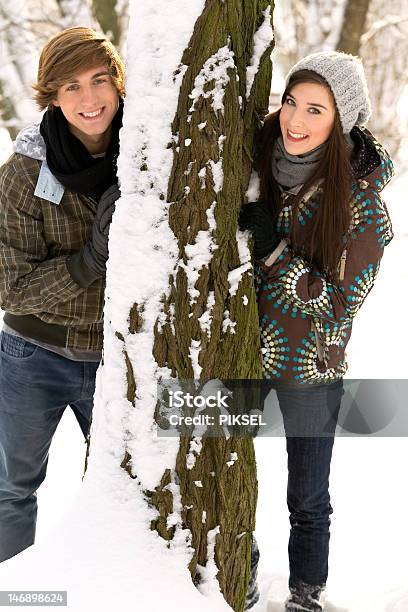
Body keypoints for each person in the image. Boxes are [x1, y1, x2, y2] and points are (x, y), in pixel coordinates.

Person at [240, 52, 394, 611]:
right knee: (226, 474)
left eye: (314, 109)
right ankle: (242, 573)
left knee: (307, 498)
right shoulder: (255, 160)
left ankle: (306, 594)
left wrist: (275, 253)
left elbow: (337, 308)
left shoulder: (365, 210)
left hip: (310, 363)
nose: (294, 120)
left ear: (341, 121)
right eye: (289, 102)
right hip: (235, 349)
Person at [0, 27, 125, 563]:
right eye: (70, 86)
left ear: (119, 85)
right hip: (33, 356)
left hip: (119, 359)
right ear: (50, 96)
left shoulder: (153, 159)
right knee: (12, 489)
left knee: (131, 491)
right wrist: (89, 262)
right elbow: (13, 288)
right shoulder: (23, 174)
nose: (89, 99)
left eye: (100, 80)